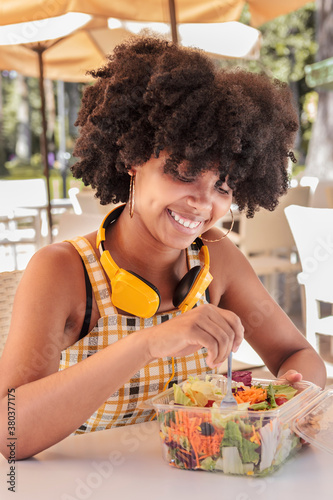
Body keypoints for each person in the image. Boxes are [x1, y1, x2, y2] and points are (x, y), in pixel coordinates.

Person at [0, 36, 326, 460]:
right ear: (133, 160)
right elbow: (10, 434)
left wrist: (296, 394)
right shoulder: (63, 271)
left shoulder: (215, 258)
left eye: (223, 187)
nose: (203, 203)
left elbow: (296, 353)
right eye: (186, 174)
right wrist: (148, 343)